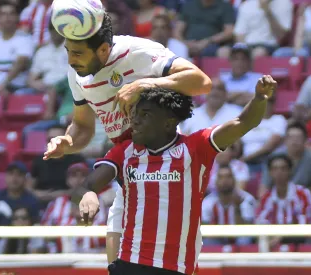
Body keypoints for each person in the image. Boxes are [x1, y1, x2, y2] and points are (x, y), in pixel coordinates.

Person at [43, 9, 212, 263]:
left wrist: (144, 84)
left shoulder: (137, 51)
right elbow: (82, 126)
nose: (70, 60)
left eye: (77, 53)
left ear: (101, 50)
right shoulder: (77, 74)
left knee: (174, 263)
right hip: (128, 169)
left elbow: (201, 81)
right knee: (117, 264)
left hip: (167, 166)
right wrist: (67, 142)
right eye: (68, 51)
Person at [73, 76, 276, 275]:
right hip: (130, 263)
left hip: (176, 267)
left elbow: (243, 122)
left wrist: (259, 99)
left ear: (168, 123)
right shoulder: (125, 151)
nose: (134, 119)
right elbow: (87, 185)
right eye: (134, 113)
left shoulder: (196, 147)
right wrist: (88, 194)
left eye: (145, 114)